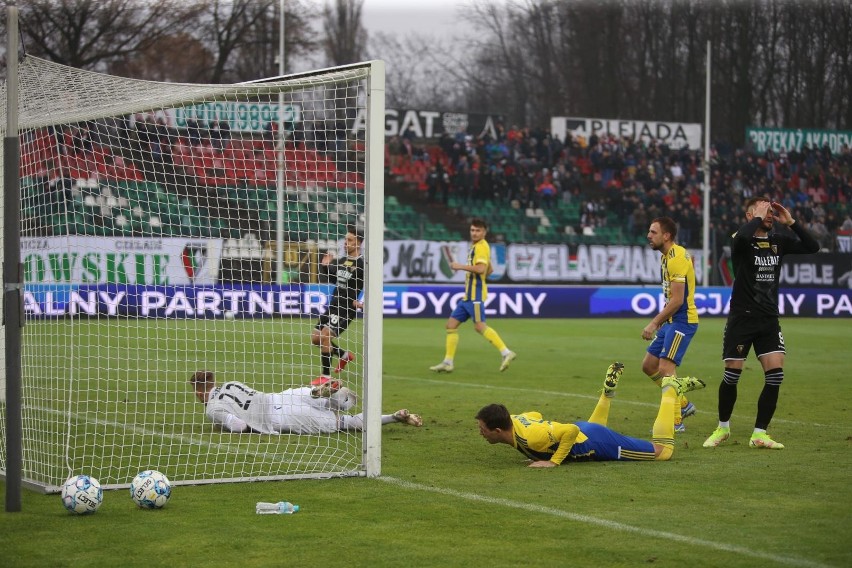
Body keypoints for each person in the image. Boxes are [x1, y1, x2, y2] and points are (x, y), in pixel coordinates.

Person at [703, 197, 820, 450]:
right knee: (732, 376)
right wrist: (758, 215)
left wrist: (791, 222)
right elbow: (741, 238)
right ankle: (722, 427)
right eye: (765, 210)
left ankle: (759, 434)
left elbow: (813, 247)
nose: (770, 214)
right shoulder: (741, 240)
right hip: (741, 318)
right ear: (750, 215)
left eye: (771, 210)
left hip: (768, 318)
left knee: (775, 376)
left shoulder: (779, 241)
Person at [475, 363, 705, 467]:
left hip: (592, 440)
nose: (480, 432)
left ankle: (670, 389)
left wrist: (553, 462)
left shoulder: (532, 436)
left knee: (662, 453)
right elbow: (534, 414)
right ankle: (606, 394)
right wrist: (539, 454)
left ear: (497, 430)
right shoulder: (515, 421)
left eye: (482, 429)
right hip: (587, 430)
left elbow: (570, 431)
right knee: (590, 430)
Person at [189, 371, 422, 434]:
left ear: (199, 393)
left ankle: (392, 417)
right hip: (282, 396)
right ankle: (326, 393)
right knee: (324, 400)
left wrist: (240, 425)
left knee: (344, 423)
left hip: (279, 417)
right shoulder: (230, 384)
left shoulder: (213, 408)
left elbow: (239, 426)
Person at [429, 218, 516, 373]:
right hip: (468, 297)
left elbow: (482, 269)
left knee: (479, 326)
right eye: (472, 230)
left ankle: (506, 352)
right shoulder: (478, 247)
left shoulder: (481, 247)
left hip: (475, 296)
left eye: (478, 230)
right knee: (451, 325)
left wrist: (459, 266)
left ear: (484, 232)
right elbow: (489, 270)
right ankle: (448, 362)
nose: (474, 233)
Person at [641, 216, 700, 433]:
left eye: (653, 232)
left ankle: (676, 421)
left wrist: (654, 323)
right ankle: (683, 404)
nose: (649, 235)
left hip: (683, 321)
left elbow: (677, 300)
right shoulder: (666, 257)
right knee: (648, 365)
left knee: (666, 368)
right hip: (672, 320)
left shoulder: (675, 258)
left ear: (666, 236)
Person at [311, 225, 364, 383]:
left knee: (325, 336)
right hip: (333, 304)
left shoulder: (362, 265)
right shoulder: (343, 260)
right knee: (315, 338)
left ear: (358, 243)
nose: (345, 243)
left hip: (346, 308)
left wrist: (360, 301)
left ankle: (326, 377)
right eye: (345, 240)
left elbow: (370, 285)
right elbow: (337, 281)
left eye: (350, 240)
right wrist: (325, 268)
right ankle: (344, 355)